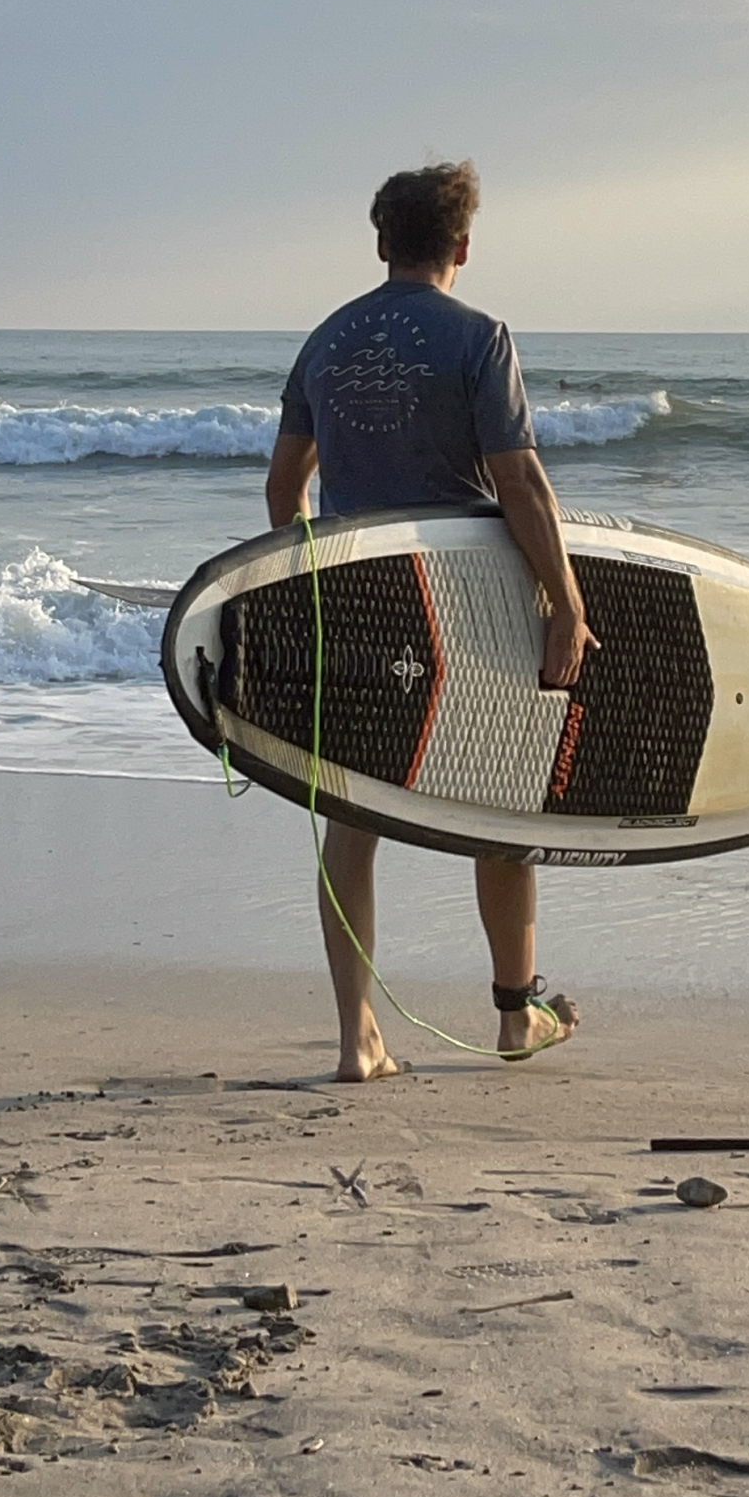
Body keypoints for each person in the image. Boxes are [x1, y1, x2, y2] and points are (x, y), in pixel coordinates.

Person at [264, 160, 596, 1081]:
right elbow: (520, 482)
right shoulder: (480, 338)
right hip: (465, 599)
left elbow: (282, 493)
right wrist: (565, 606)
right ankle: (513, 1015)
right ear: (461, 245)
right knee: (502, 804)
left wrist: (313, 588)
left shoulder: (326, 342)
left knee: (354, 819)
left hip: (361, 595)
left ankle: (357, 1039)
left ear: (381, 244)